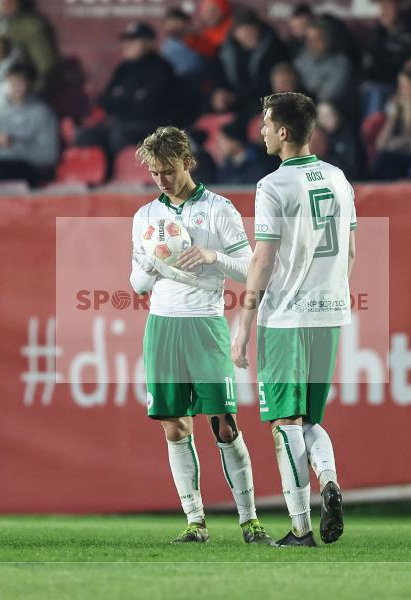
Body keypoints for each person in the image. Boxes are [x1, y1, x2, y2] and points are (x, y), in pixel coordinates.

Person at [129, 126, 272, 546]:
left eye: (168, 170)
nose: (161, 180)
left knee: (224, 424)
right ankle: (195, 522)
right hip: (163, 324)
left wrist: (213, 256)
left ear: (188, 163)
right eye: (155, 173)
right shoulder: (145, 217)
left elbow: (250, 268)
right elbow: (137, 285)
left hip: (205, 323)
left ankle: (250, 521)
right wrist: (151, 266)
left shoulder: (218, 209)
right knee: (174, 427)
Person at [232, 92, 355, 547]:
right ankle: (329, 480)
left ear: (283, 132)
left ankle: (301, 529)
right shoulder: (339, 179)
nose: (261, 131)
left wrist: (245, 324)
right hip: (330, 313)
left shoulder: (273, 186)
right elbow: (351, 252)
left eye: (266, 124)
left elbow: (263, 259)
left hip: (286, 317)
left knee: (285, 422)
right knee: (307, 421)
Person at [75, 23, 179, 158]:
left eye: (134, 40)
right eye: (126, 40)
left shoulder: (161, 68)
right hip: (121, 122)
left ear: (149, 43)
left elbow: (149, 106)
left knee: (118, 135)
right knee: (84, 135)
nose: (127, 45)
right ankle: (96, 171)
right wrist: (129, 100)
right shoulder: (124, 68)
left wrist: (121, 99)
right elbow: (105, 100)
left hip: (154, 126)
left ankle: (124, 170)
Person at [0, 63, 58, 188]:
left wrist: (12, 143)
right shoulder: (0, 113)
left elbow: (49, 157)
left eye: (20, 82)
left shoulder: (43, 113)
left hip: (30, 169)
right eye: (11, 82)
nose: (15, 87)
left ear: (31, 84)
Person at [215, 9, 290, 118]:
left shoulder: (274, 48)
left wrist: (236, 97)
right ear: (235, 33)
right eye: (244, 30)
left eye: (252, 29)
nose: (248, 34)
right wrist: (220, 92)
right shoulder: (228, 51)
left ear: (259, 28)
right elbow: (220, 75)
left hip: (264, 103)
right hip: (235, 103)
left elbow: (267, 84)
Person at [0, 0, 58, 94]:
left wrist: (32, 92)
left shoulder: (31, 27)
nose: (2, 3)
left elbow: (46, 68)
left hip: (23, 92)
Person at [294, 19, 353, 104]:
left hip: (329, 107)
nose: (312, 43)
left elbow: (329, 94)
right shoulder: (300, 61)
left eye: (317, 39)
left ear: (328, 40)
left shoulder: (340, 63)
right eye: (309, 39)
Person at [316, 101, 365, 180]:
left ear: (337, 115)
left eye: (329, 115)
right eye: (322, 117)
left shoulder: (348, 136)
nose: (325, 120)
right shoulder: (316, 138)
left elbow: (352, 167)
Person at [215, 120, 271, 185]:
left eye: (223, 139)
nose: (219, 144)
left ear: (236, 141)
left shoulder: (256, 165)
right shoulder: (225, 168)